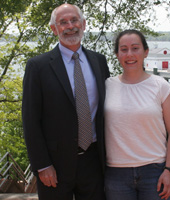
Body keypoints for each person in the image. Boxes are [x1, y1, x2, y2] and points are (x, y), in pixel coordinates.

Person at [22, 3, 110, 200]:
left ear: (84, 24)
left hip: (94, 161)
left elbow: (106, 111)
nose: (70, 26)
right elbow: (30, 121)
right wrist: (42, 165)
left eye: (74, 20)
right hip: (54, 165)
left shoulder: (99, 61)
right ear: (54, 29)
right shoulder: (38, 66)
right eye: (63, 22)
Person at [104, 29, 170, 200]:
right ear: (117, 54)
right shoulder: (107, 86)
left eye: (135, 48)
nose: (129, 54)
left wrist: (169, 170)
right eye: (123, 49)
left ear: (145, 52)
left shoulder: (161, 86)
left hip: (155, 172)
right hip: (116, 175)